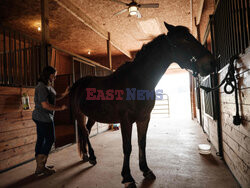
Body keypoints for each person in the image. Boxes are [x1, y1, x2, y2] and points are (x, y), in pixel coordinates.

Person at [32, 66, 69, 175]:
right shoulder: (41, 87)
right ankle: (41, 166)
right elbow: (45, 105)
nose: (55, 77)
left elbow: (55, 97)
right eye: (55, 75)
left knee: (41, 139)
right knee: (50, 139)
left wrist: (65, 93)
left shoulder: (48, 86)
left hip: (44, 117)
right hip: (43, 117)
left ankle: (40, 166)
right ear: (49, 74)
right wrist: (60, 109)